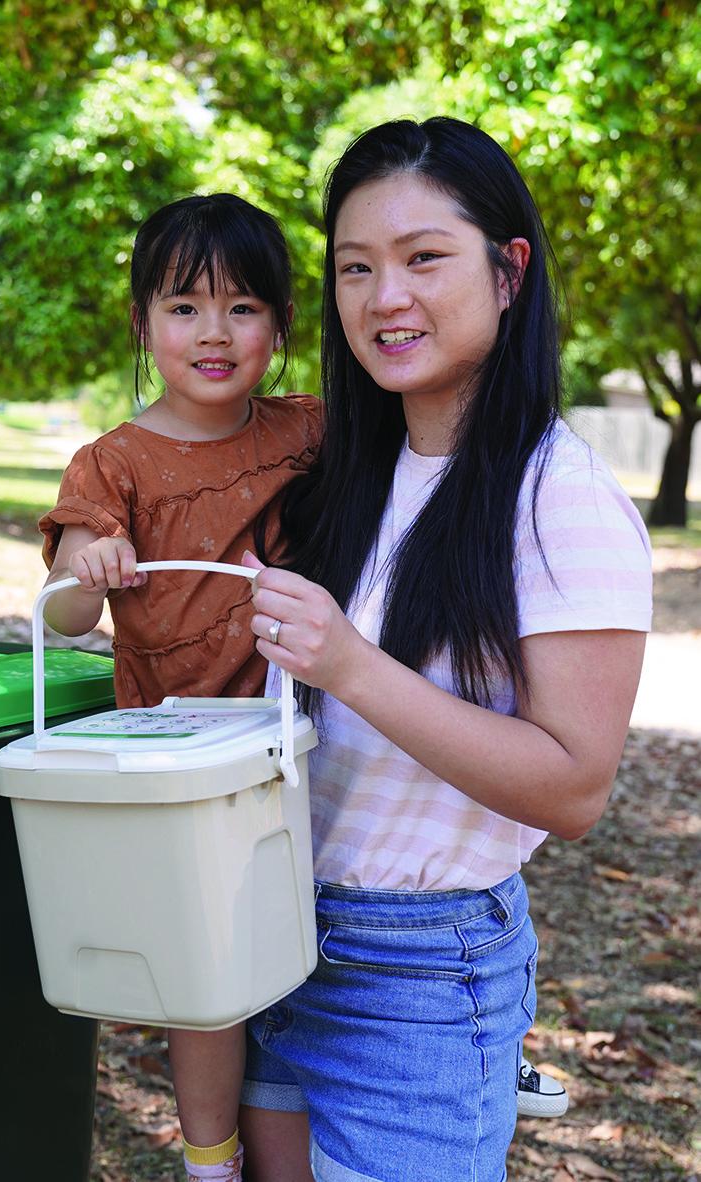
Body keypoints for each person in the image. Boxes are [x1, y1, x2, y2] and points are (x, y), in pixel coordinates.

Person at [237, 116, 652, 1181]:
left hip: (419, 975)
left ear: (507, 272)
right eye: (355, 268)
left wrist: (348, 666)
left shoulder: (559, 498)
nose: (386, 299)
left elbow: (571, 788)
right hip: (279, 936)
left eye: (425, 259)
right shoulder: (353, 476)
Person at [38, 192, 322, 1182]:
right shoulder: (111, 463)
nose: (213, 331)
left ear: (280, 327)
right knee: (207, 981)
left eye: (243, 307)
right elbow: (66, 612)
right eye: (183, 305)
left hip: (291, 738)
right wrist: (92, 570)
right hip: (175, 764)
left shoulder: (306, 431)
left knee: (306, 949)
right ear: (141, 323)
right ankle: (209, 1163)